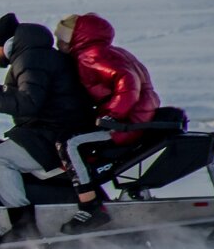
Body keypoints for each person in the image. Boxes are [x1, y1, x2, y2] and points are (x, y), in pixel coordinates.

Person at [0, 15, 92, 239]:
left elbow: (29, 102)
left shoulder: (30, 58)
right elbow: (29, 91)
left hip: (54, 134)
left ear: (7, 44)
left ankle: (23, 228)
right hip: (54, 129)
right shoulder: (36, 56)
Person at [54, 13, 161, 233]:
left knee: (69, 144)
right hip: (136, 119)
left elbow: (127, 81)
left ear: (74, 37)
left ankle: (90, 206)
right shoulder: (110, 51)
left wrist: (112, 115)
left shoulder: (90, 55)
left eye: (62, 38)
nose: (58, 43)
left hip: (126, 123)